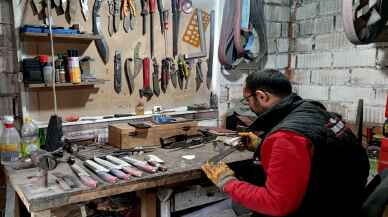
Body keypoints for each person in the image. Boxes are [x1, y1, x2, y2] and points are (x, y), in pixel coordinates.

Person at [202, 69, 370, 217]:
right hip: (343, 199)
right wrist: (262, 143)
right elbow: (318, 150)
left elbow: (277, 204)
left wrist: (227, 181)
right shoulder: (314, 111)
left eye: (248, 100)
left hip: (320, 208)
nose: (248, 105)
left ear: (262, 96)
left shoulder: (287, 137)